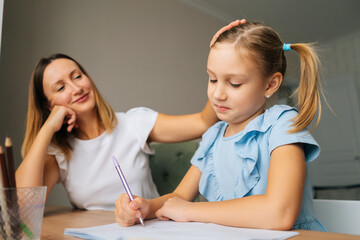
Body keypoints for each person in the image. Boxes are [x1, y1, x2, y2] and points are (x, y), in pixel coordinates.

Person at [114, 21, 327, 231]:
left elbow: (279, 213)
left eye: (234, 83)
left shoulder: (282, 124)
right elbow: (179, 198)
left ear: (271, 84)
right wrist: (146, 207)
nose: (217, 94)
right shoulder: (214, 136)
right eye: (212, 79)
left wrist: (189, 211)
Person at [15, 53, 218, 211]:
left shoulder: (135, 122)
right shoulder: (61, 153)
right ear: (50, 107)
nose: (76, 88)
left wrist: (221, 68)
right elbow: (23, 208)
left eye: (77, 76)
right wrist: (48, 128)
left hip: (147, 230)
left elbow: (203, 122)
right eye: (60, 88)